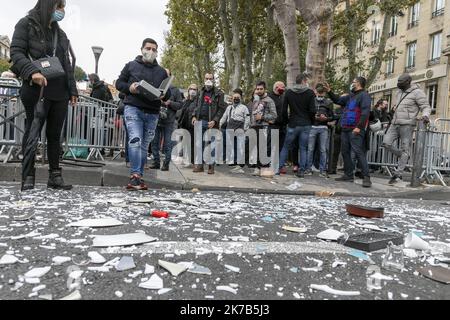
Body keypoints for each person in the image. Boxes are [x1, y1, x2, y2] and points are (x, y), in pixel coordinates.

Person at [10, 0, 78, 191]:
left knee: (55, 135)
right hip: (36, 88)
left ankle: (55, 176)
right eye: (60, 6)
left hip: (59, 90)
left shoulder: (60, 32)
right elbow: (16, 52)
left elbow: (67, 63)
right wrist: (32, 72)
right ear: (49, 5)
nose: (62, 11)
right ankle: (28, 175)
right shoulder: (25, 24)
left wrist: (72, 90)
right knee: (32, 130)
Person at [115, 38, 171, 191]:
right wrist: (130, 87)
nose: (151, 51)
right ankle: (135, 176)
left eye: (154, 49)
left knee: (144, 145)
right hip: (133, 108)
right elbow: (118, 83)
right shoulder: (131, 66)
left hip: (152, 113)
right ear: (142, 49)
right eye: (148, 48)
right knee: (135, 140)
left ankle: (138, 176)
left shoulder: (161, 71)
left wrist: (163, 95)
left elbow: (168, 93)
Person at [383, 73, 431, 184]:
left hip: (407, 124)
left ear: (408, 82)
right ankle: (403, 155)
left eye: (401, 83)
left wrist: (425, 115)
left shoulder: (417, 92)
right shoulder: (398, 92)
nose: (398, 84)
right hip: (395, 123)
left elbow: (425, 106)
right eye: (398, 82)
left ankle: (398, 174)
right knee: (386, 143)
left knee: (405, 148)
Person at [325, 77, 373, 188]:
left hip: (355, 129)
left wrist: (359, 127)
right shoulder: (350, 96)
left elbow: (365, 113)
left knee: (358, 152)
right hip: (345, 128)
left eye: (354, 82)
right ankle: (348, 175)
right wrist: (329, 91)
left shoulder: (364, 96)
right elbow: (338, 100)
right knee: (345, 151)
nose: (352, 83)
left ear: (359, 84)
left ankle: (366, 177)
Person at [278, 74, 316, 178]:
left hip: (293, 124)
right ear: (304, 81)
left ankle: (279, 168)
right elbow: (313, 110)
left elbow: (284, 110)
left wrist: (286, 121)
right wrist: (311, 121)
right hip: (306, 124)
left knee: (286, 146)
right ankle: (301, 170)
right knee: (303, 148)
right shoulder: (310, 93)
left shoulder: (289, 92)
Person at [192, 73, 226, 175]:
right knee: (199, 144)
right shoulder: (200, 92)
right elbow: (195, 105)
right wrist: (193, 116)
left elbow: (221, 109)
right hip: (200, 120)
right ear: (204, 79)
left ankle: (211, 166)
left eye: (210, 79)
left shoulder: (219, 93)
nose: (208, 80)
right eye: (206, 78)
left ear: (213, 80)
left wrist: (215, 120)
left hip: (212, 122)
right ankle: (200, 165)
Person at [150, 70, 183, 172]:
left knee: (168, 143)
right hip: (156, 119)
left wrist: (170, 103)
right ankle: (156, 162)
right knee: (154, 142)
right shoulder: (156, 87)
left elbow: (180, 104)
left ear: (169, 76)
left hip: (169, 121)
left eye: (166, 74)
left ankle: (166, 164)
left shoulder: (175, 90)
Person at [248, 81, 277, 176]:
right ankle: (257, 168)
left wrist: (263, 117)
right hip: (254, 127)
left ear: (265, 89)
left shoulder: (269, 100)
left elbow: (274, 115)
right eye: (257, 89)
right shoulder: (255, 100)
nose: (259, 91)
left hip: (264, 127)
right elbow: (253, 114)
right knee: (256, 148)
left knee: (264, 149)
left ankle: (264, 168)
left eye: (261, 89)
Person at [306, 83, 334, 177]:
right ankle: (308, 169)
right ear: (315, 91)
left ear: (324, 92)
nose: (320, 94)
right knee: (310, 149)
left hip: (323, 128)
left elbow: (332, 116)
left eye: (322, 92)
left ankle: (322, 170)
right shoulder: (311, 101)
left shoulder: (328, 102)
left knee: (323, 150)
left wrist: (325, 118)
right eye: (319, 92)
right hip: (312, 127)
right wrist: (313, 117)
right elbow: (307, 114)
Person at [220, 88, 250, 171]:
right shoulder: (229, 108)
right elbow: (224, 117)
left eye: (238, 97)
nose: (236, 99)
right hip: (230, 128)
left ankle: (239, 161)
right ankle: (232, 161)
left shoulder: (244, 107)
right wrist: (220, 124)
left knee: (240, 145)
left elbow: (247, 118)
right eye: (234, 97)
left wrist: (245, 128)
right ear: (232, 98)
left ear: (240, 98)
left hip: (240, 128)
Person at [177, 84, 198, 166]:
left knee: (190, 143)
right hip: (182, 124)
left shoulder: (197, 101)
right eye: (191, 89)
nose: (192, 91)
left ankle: (190, 160)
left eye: (195, 89)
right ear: (188, 90)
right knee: (181, 142)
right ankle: (181, 157)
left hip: (191, 126)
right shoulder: (185, 101)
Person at [268, 81, 286, 161]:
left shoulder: (283, 97)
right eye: (282, 87)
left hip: (282, 126)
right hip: (272, 125)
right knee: (271, 146)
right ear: (276, 88)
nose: (284, 89)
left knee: (280, 146)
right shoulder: (269, 97)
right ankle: (267, 164)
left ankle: (277, 164)